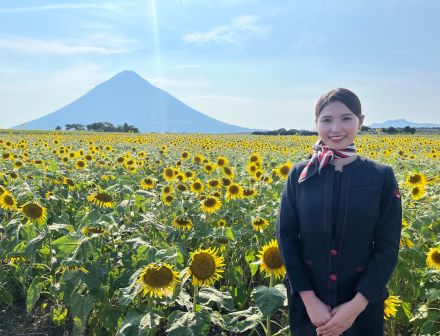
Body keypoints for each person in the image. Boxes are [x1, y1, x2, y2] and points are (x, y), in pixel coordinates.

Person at [276, 88, 402, 336]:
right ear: (316, 124)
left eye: (346, 118)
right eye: (326, 120)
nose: (336, 128)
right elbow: (286, 238)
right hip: (309, 308)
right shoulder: (300, 175)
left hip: (362, 306)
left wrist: (354, 308)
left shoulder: (381, 176)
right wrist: (310, 301)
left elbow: (387, 248)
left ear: (361, 121)